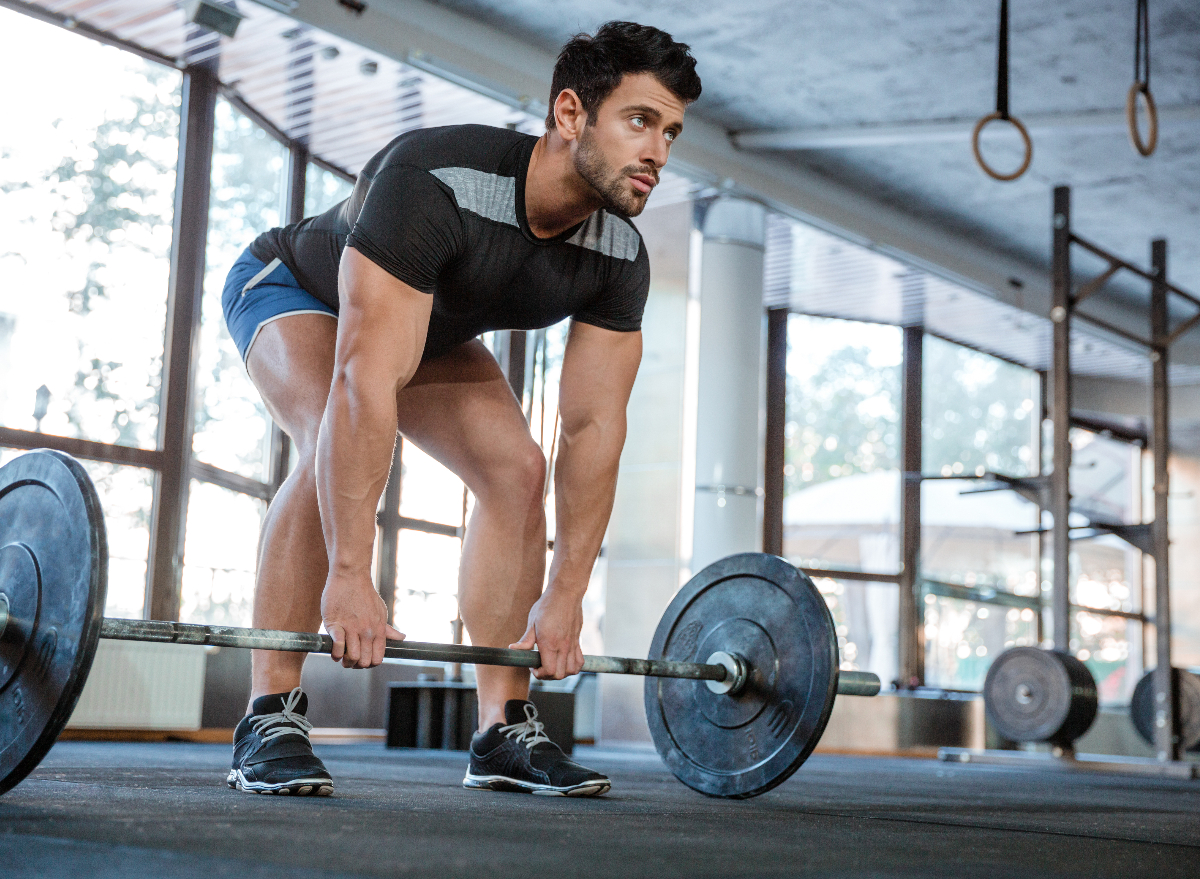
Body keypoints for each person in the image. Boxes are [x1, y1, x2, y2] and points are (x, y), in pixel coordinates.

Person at [220, 21, 701, 798]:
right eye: (640, 121)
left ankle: (501, 728)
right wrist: (350, 573)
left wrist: (567, 596)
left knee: (518, 471)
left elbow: (593, 430)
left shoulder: (618, 256)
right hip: (295, 291)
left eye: (672, 132)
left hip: (424, 325)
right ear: (571, 114)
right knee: (322, 442)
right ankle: (269, 712)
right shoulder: (436, 178)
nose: (659, 154)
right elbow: (360, 383)